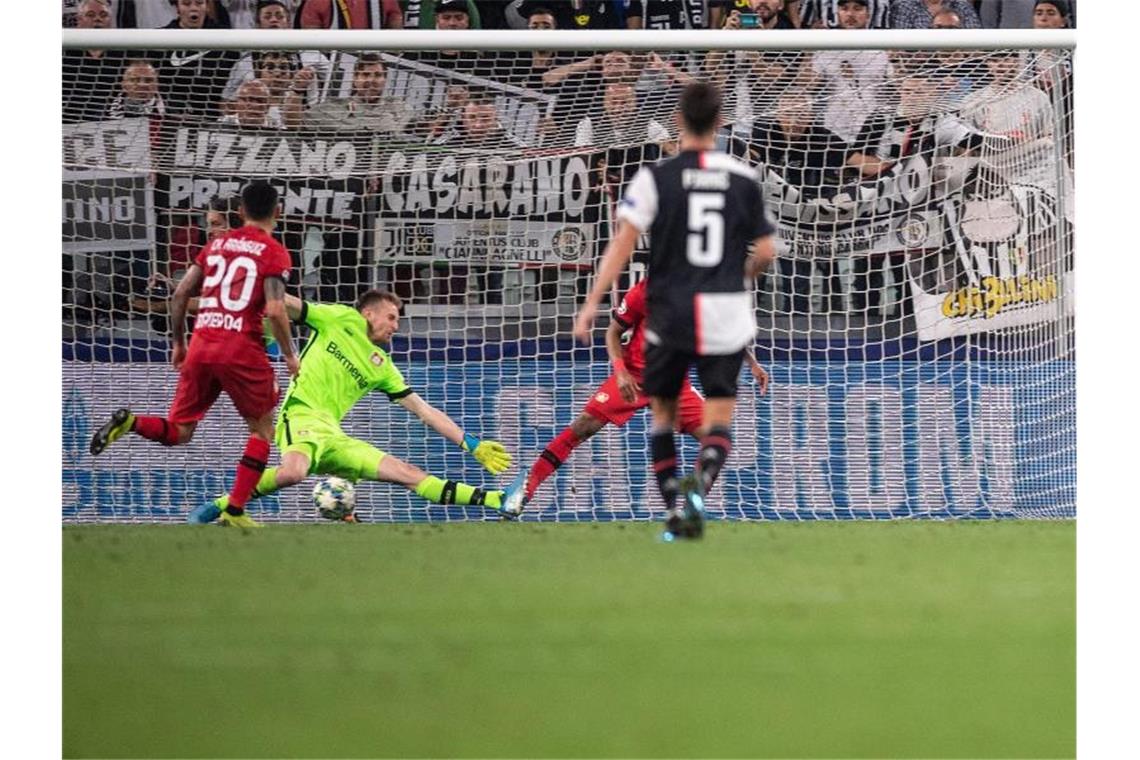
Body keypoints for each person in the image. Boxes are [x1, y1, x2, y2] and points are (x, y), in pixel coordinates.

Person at [567, 82, 776, 539]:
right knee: (717, 421)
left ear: (678, 121)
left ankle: (671, 513)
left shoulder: (654, 178)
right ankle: (699, 490)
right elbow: (764, 253)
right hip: (724, 311)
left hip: (671, 310)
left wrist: (590, 306)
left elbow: (621, 246)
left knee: (662, 415)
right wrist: (735, 278)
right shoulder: (743, 178)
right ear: (720, 124)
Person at [186, 289, 517, 524]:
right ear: (368, 313)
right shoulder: (339, 318)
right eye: (391, 316)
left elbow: (424, 411)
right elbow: (286, 304)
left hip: (335, 435)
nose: (396, 325)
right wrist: (257, 286)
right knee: (293, 472)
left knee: (409, 474)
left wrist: (470, 444)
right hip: (300, 415)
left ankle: (496, 500)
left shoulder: (382, 364)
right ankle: (220, 506)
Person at [89, 182, 300, 529]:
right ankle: (234, 510)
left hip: (202, 342)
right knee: (262, 430)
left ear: (241, 212)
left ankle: (131, 422)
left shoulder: (216, 243)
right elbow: (276, 310)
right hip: (241, 347)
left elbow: (181, 293)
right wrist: (290, 355)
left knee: (181, 430)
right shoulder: (274, 251)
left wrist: (178, 342)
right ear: (278, 212)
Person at [509, 278, 769, 513]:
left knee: (716, 438)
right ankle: (525, 491)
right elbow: (612, 333)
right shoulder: (643, 291)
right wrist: (621, 372)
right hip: (634, 378)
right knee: (582, 427)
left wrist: (752, 363)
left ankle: (691, 504)